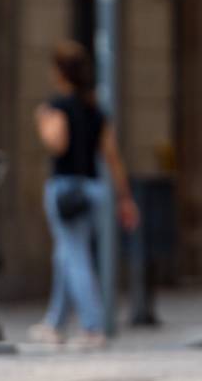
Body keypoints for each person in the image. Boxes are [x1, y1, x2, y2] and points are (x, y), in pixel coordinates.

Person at [33, 41, 139, 348]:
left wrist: (42, 121)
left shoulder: (57, 106)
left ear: (59, 72)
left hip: (65, 187)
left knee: (74, 255)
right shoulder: (95, 109)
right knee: (66, 253)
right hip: (93, 189)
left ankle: (93, 327)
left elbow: (58, 143)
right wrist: (125, 197)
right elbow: (112, 156)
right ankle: (55, 323)